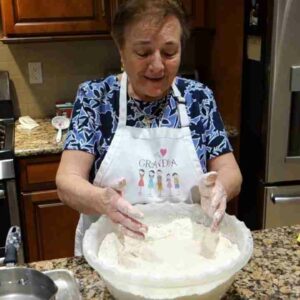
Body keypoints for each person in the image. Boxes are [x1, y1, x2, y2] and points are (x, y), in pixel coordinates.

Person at [56, 0, 242, 256]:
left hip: (186, 254)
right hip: (111, 254)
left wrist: (220, 189)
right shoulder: (95, 98)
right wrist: (102, 201)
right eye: (143, 53)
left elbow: (230, 172)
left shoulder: (198, 98)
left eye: (169, 52)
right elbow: (67, 181)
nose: (157, 66)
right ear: (121, 51)